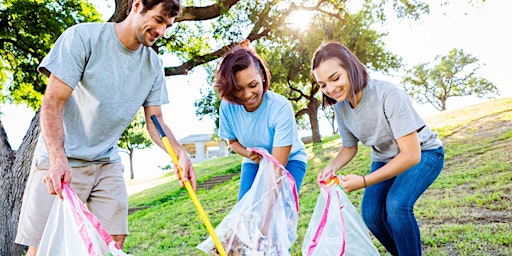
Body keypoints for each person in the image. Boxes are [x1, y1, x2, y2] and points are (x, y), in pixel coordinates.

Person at [15, 0, 197, 255]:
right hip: (62, 157)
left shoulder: (153, 65)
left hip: (105, 160)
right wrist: (57, 158)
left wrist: (179, 153)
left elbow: (156, 120)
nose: (162, 32)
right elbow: (52, 103)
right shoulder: (83, 37)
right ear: (137, 6)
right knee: (46, 246)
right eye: (158, 20)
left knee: (111, 241)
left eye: (168, 25)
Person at [313, 42, 444, 256]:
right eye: (323, 84)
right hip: (385, 158)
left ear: (350, 67)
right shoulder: (341, 106)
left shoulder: (388, 94)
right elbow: (349, 147)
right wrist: (331, 166)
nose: (330, 89)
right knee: (372, 214)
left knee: (397, 206)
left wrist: (363, 181)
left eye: (335, 78)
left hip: (425, 152)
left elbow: (411, 155)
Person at [215, 41, 308, 201]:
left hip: (289, 160)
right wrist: (248, 154)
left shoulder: (280, 107)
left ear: (263, 77)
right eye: (238, 89)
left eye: (253, 85)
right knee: (246, 209)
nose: (247, 94)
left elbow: (277, 169)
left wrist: (265, 213)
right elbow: (233, 141)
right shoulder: (228, 107)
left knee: (280, 208)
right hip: (254, 161)